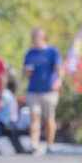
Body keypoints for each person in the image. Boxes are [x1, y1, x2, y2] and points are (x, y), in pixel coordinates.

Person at [23, 28, 63, 156]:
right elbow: (25, 71)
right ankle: (34, 145)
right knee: (34, 118)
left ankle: (49, 146)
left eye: (34, 37)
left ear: (42, 37)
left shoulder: (52, 51)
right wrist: (27, 72)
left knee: (49, 119)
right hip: (33, 91)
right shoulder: (30, 53)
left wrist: (58, 81)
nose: (32, 40)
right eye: (32, 37)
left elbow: (59, 69)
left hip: (49, 91)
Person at [0, 75, 27, 154]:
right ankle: (20, 150)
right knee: (13, 137)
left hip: (5, 121)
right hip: (11, 120)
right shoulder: (12, 94)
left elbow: (0, 106)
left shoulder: (5, 94)